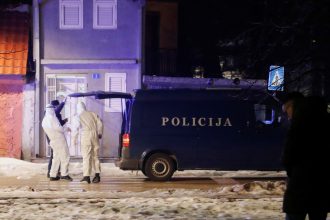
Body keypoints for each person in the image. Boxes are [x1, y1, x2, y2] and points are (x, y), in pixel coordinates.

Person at [281, 92, 330, 220]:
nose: (288, 116)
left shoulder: (298, 123)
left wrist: (293, 173)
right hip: (322, 187)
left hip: (298, 186)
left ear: (291, 105)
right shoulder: (325, 118)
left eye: (286, 110)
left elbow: (288, 156)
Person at [73, 102, 103, 184]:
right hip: (95, 136)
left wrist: (74, 139)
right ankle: (97, 176)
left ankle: (86, 177)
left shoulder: (78, 116)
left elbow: (76, 129)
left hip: (86, 136)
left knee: (86, 157)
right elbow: (100, 123)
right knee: (95, 156)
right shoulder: (93, 114)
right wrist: (99, 133)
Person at [42, 104, 72, 181]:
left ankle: (53, 175)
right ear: (52, 110)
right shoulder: (52, 118)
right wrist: (65, 129)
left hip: (52, 140)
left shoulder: (44, 120)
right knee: (65, 156)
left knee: (56, 158)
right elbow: (59, 128)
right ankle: (64, 174)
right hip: (59, 139)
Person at [46, 99, 69, 178]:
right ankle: (51, 172)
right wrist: (63, 102)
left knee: (57, 155)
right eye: (56, 106)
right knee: (55, 155)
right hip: (54, 138)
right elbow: (56, 128)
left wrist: (64, 121)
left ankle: (55, 173)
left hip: (56, 138)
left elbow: (58, 124)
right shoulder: (51, 114)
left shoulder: (56, 115)